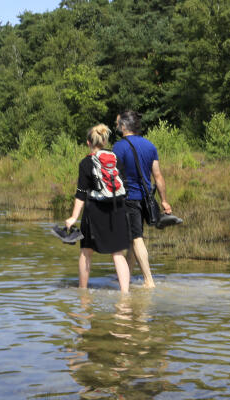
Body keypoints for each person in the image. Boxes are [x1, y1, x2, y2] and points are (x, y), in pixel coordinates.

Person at [62, 124, 132, 294]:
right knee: (118, 253)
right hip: (117, 209)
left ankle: (83, 291)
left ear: (88, 143)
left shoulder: (86, 163)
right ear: (105, 140)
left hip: (95, 211)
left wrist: (73, 217)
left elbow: (81, 193)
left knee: (86, 251)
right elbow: (124, 186)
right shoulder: (116, 159)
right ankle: (125, 294)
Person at [112, 110, 176, 289]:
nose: (117, 127)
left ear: (124, 126)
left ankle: (149, 280)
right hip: (146, 198)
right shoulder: (150, 146)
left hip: (128, 198)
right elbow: (158, 176)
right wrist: (164, 201)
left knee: (136, 238)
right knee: (134, 238)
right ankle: (127, 277)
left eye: (118, 124)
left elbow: (113, 174)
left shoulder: (119, 147)